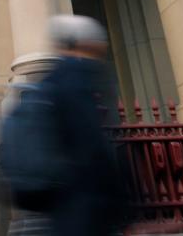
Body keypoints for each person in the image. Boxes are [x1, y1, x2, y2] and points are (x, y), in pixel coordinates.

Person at [42, 14, 129, 236]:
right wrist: (122, 210)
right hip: (85, 207)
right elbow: (93, 148)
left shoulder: (51, 82)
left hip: (66, 208)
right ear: (82, 43)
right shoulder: (75, 81)